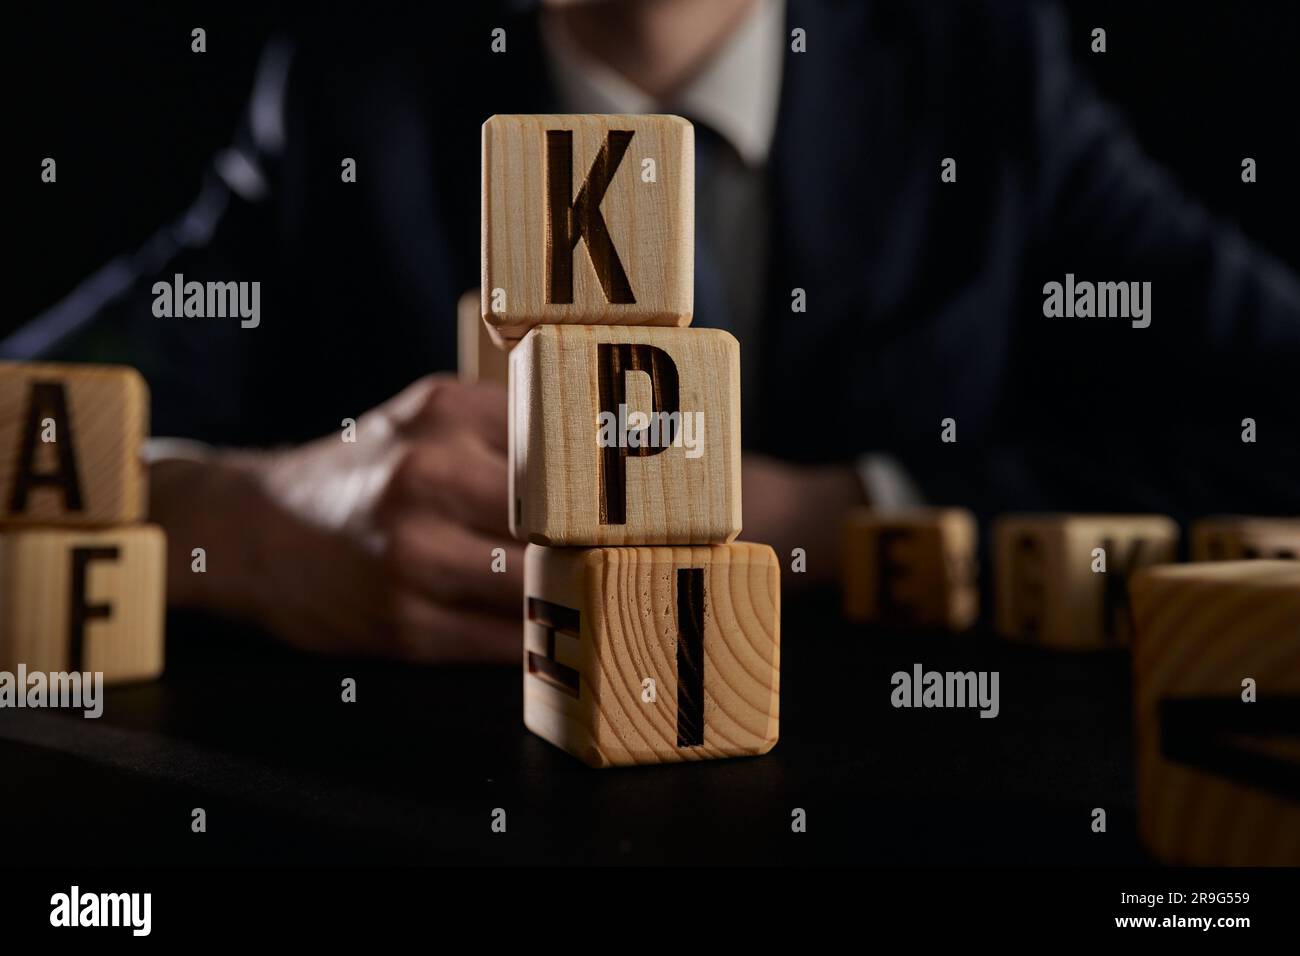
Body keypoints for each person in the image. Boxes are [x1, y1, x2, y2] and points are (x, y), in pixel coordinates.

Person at [6, 0, 1298, 662]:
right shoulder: (356, 84)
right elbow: (28, 406)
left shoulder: (981, 66)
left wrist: (828, 515)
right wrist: (246, 525)